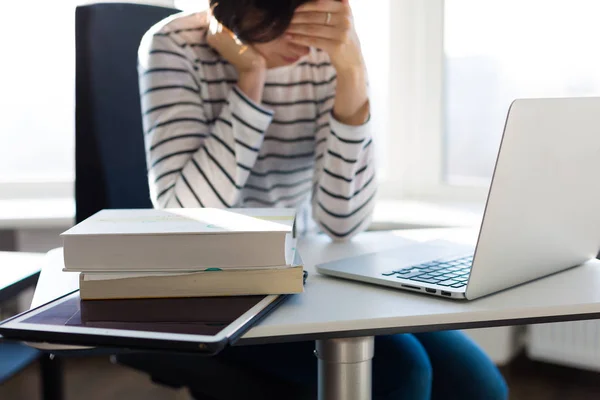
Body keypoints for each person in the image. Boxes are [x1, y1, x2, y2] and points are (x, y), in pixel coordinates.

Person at [125, 1, 509, 399]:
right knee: (402, 372)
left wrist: (352, 73)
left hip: (307, 274)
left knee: (479, 385)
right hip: (217, 283)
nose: (306, 39)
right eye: (285, 20)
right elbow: (185, 216)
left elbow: (342, 222)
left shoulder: (327, 48)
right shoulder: (173, 45)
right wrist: (251, 80)